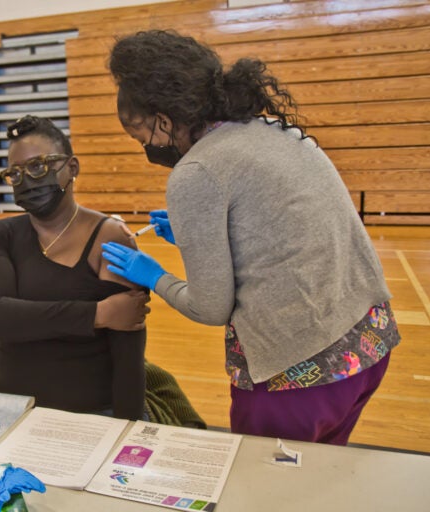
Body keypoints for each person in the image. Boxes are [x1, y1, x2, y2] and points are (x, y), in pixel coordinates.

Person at [101, 30, 400, 444]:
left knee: (260, 491)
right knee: (315, 481)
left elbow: (210, 308)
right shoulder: (268, 129)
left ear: (164, 121)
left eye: (142, 138)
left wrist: (153, 275)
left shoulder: (197, 171)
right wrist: (191, 237)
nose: (146, 149)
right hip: (366, 345)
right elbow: (277, 232)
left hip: (299, 377)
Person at [0, 115, 203, 427]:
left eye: (38, 166)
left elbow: (128, 354)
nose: (27, 179)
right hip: (9, 407)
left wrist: (126, 429)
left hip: (91, 416)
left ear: (73, 167)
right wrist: (96, 314)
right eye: (16, 173)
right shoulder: (2, 235)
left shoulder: (110, 238)